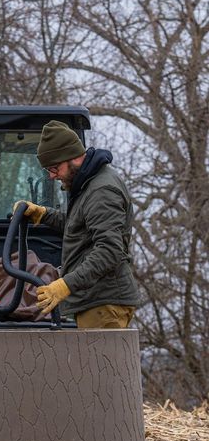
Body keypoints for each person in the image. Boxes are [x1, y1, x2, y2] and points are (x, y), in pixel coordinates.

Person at [15, 120, 140, 328]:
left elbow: (110, 251)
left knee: (101, 362)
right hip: (96, 302)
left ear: (72, 158)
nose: (51, 176)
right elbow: (80, 228)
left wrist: (65, 285)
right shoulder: (88, 185)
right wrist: (43, 214)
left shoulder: (101, 191)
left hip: (104, 304)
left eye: (54, 168)